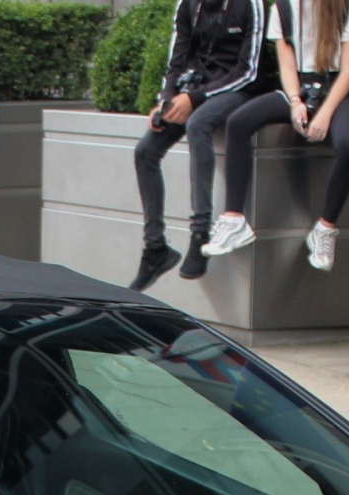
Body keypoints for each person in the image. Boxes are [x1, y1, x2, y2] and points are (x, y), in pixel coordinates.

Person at [203, 0, 349, 272]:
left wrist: (324, 114)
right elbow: (288, 67)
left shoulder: (347, 6)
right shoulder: (282, 8)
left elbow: (348, 71)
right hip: (299, 87)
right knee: (239, 122)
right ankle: (234, 219)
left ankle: (325, 228)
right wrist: (295, 103)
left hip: (339, 88)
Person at [129, 0, 262, 288]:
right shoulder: (187, 4)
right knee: (145, 152)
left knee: (198, 124)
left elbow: (247, 72)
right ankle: (155, 248)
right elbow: (177, 59)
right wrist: (166, 99)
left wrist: (195, 99)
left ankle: (200, 233)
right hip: (195, 90)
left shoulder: (251, 5)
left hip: (236, 91)